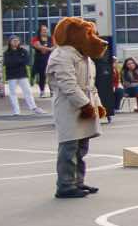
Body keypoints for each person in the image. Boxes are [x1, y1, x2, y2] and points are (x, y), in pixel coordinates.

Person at [45, 18, 107, 199]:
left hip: (84, 105)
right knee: (69, 146)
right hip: (68, 106)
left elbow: (91, 86)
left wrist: (97, 104)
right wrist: (85, 104)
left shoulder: (85, 58)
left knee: (81, 147)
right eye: (89, 34)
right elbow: (68, 85)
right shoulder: (62, 55)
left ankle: (77, 181)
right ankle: (65, 185)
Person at [2, 35, 45, 115]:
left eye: (17, 40)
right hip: (11, 75)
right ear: (10, 42)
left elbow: (26, 61)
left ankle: (34, 107)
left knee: (27, 91)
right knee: (13, 93)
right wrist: (18, 61)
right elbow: (7, 63)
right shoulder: (7, 53)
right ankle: (16, 111)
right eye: (14, 40)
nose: (16, 42)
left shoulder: (23, 51)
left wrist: (16, 61)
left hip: (22, 74)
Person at [29, 22, 53, 96]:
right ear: (40, 31)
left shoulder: (51, 38)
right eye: (43, 30)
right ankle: (42, 91)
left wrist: (44, 48)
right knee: (42, 76)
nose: (45, 31)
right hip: (39, 60)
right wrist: (49, 49)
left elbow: (55, 46)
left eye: (46, 30)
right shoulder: (36, 39)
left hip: (49, 60)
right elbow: (38, 46)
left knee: (51, 76)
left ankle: (52, 91)